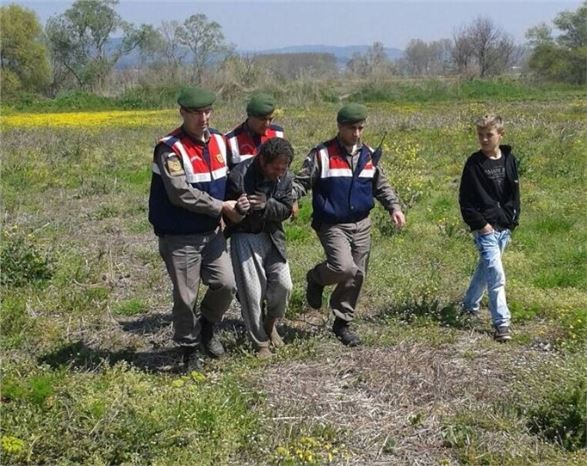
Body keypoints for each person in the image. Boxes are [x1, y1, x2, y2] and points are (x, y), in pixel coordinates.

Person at [293, 103, 406, 346]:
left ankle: (342, 322)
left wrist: (394, 207)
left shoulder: (369, 155)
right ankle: (315, 278)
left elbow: (381, 186)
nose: (356, 133)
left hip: (362, 223)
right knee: (343, 267)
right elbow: (301, 181)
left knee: (357, 274)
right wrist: (289, 199)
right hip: (332, 223)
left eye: (360, 128)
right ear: (340, 127)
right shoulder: (322, 154)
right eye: (351, 128)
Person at [148, 86, 237, 371]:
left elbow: (234, 176)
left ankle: (207, 327)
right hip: (180, 236)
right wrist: (221, 206)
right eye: (196, 113)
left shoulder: (221, 142)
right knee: (186, 297)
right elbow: (180, 193)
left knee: (226, 284)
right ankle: (189, 350)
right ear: (182, 113)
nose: (203, 117)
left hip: (212, 233)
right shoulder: (170, 148)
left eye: (207, 111)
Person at [224, 138, 295, 358]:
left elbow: (285, 209)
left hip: (272, 236)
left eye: (284, 168)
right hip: (245, 236)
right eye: (275, 168)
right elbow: (226, 210)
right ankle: (260, 343)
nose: (279, 173)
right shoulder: (239, 175)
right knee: (252, 292)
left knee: (284, 285)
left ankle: (270, 324)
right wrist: (239, 208)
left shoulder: (285, 178)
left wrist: (267, 205)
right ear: (262, 160)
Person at [459, 114, 520, 343]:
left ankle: (468, 305)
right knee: (496, 275)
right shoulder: (474, 163)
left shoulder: (509, 159)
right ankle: (502, 323)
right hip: (485, 228)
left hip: (504, 225)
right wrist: (481, 225)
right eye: (480, 135)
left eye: (489, 135)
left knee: (485, 269)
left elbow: (515, 193)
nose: (484, 140)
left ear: (500, 135)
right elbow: (465, 200)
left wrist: (513, 219)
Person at [225, 93, 285, 169]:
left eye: (270, 119)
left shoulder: (278, 134)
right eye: (262, 119)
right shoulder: (231, 140)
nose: (267, 124)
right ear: (250, 116)